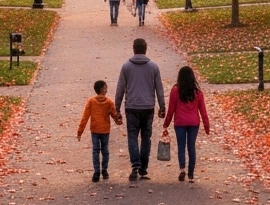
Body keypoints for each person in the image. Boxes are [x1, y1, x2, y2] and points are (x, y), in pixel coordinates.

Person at [115, 37, 165, 181]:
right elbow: (159, 88)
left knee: (132, 136)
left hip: (132, 106)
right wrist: (162, 106)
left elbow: (120, 89)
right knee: (146, 138)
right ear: (145, 49)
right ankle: (144, 168)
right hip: (148, 106)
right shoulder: (154, 67)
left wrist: (116, 108)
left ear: (133, 49)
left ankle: (135, 165)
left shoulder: (126, 67)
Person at [162, 66, 210, 182]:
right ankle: (191, 173)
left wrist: (166, 123)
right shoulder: (197, 93)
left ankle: (182, 169)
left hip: (180, 123)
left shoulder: (175, 91)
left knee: (181, 146)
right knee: (191, 146)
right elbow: (203, 111)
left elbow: (171, 110)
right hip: (194, 123)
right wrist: (206, 126)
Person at [77, 79, 124, 182]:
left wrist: (80, 131)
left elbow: (85, 117)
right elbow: (114, 115)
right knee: (105, 150)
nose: (107, 90)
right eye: (106, 88)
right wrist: (119, 120)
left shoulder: (91, 102)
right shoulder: (109, 102)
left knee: (95, 151)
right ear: (103, 90)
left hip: (94, 130)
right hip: (105, 131)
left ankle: (96, 172)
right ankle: (105, 170)